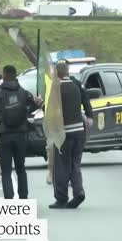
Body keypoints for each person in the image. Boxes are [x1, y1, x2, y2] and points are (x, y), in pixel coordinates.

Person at [0, 65, 41, 199]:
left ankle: (9, 198)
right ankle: (23, 197)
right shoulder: (23, 92)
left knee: (6, 170)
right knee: (21, 167)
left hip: (4, 135)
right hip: (20, 134)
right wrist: (29, 108)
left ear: (4, 75)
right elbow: (33, 106)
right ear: (15, 75)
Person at [45, 64, 93, 185]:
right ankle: (74, 185)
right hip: (70, 128)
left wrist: (90, 115)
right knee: (56, 152)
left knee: (65, 159)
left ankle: (63, 188)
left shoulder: (72, 84)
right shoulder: (53, 84)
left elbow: (85, 99)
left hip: (63, 127)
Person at [49, 62, 89, 209]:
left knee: (61, 166)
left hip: (63, 133)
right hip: (79, 131)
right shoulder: (75, 86)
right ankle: (79, 191)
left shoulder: (56, 88)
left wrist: (40, 103)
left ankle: (61, 198)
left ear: (56, 73)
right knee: (75, 164)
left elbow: (51, 111)